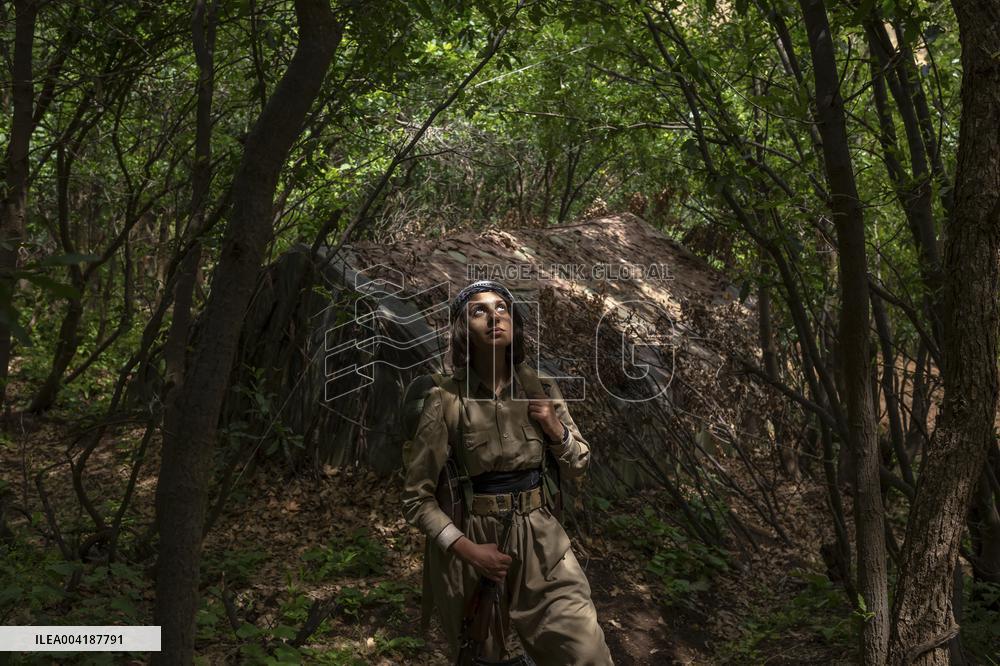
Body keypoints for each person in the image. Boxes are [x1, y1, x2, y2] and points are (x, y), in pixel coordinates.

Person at [400, 279, 614, 665]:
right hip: (473, 540)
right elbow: (417, 498)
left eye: (502, 308)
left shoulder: (540, 388)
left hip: (541, 539)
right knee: (481, 657)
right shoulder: (445, 399)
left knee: (585, 650)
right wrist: (467, 550)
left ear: (514, 324)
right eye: (479, 310)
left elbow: (579, 463)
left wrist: (554, 427)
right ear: (464, 329)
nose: (494, 316)